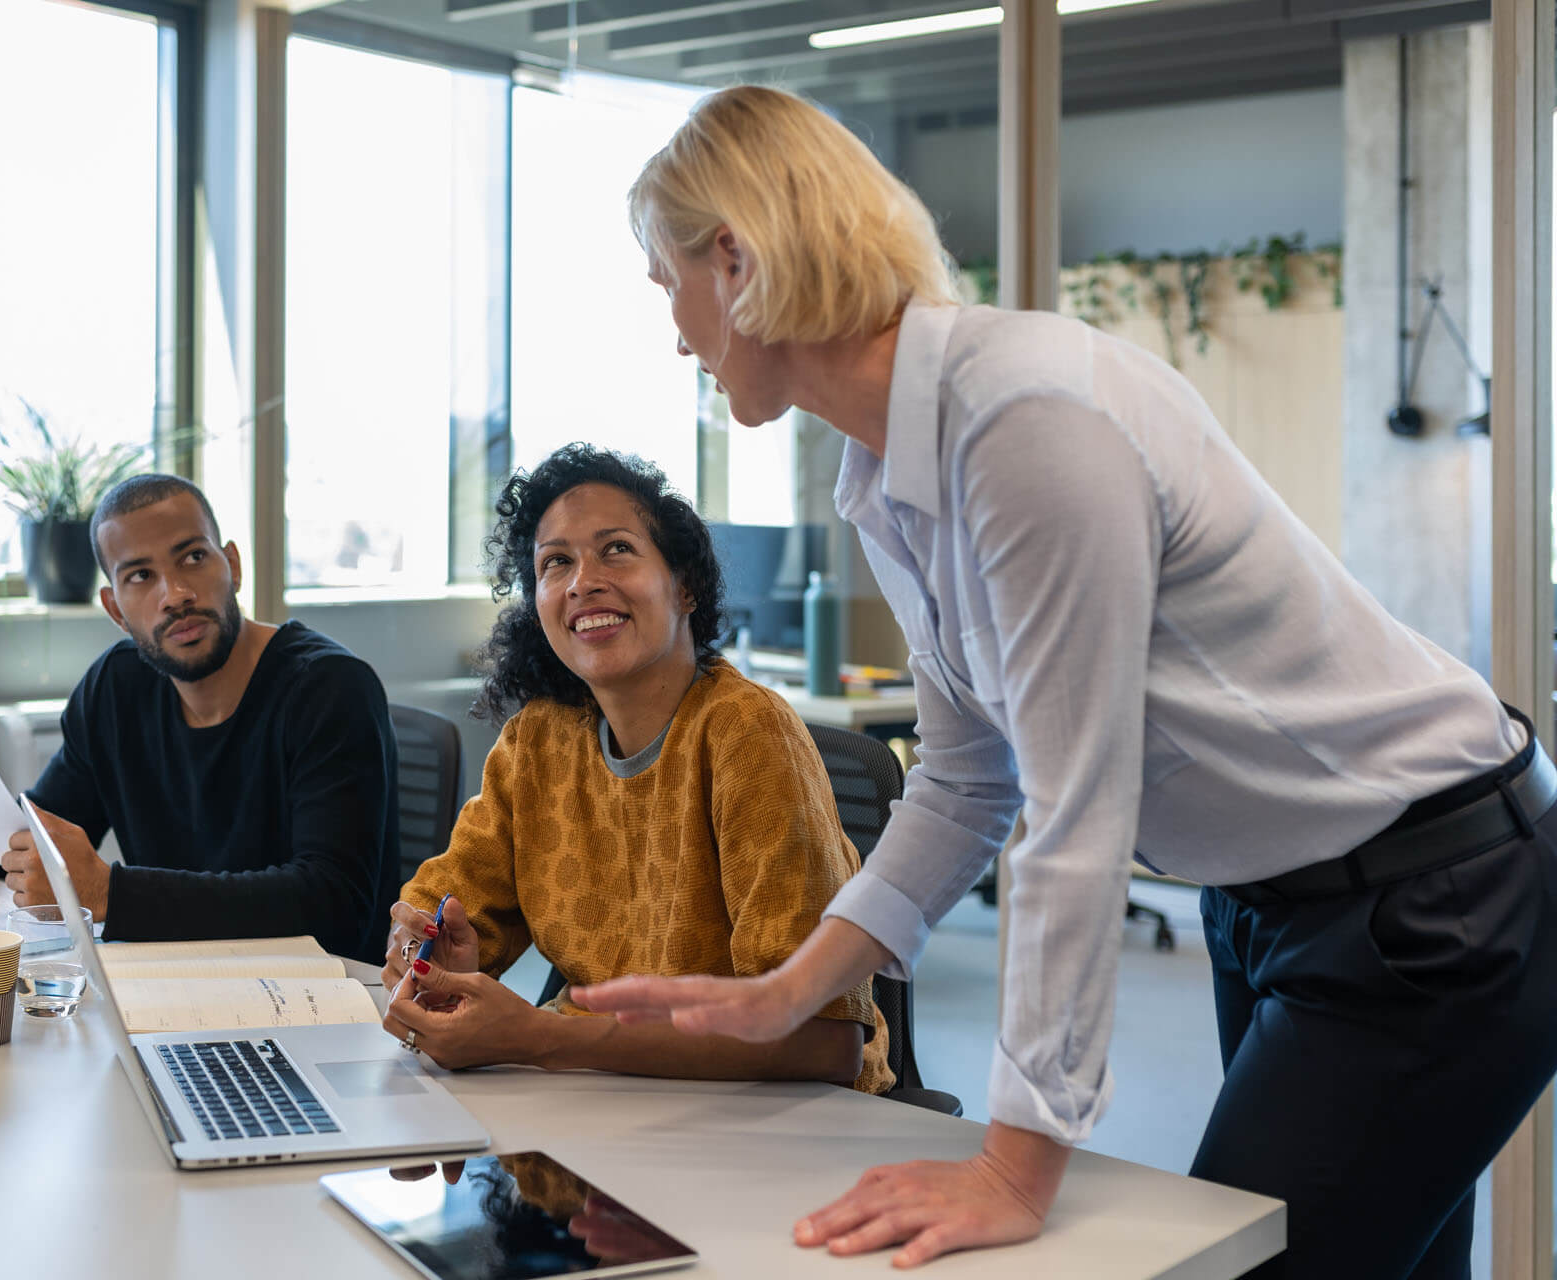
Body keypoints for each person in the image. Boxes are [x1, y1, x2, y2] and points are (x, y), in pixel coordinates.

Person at [573, 84, 1557, 1278]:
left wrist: (1013, 1162)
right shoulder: (883, 470)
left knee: (1250, 1261)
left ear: (733, 258)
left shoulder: (1022, 415)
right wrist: (793, 988)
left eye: (664, 281)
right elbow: (963, 781)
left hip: (1438, 892)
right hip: (1277, 898)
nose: (673, 330)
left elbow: (1076, 807)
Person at [379, 444, 892, 1095]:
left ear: (686, 585)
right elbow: (450, 908)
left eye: (615, 548)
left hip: (771, 1124)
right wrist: (433, 956)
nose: (581, 581)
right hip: (602, 1100)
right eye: (555, 562)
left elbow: (822, 1042)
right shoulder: (538, 739)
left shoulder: (747, 734)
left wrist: (543, 1039)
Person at [0, 473, 398, 959]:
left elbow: (334, 904)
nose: (175, 594)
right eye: (140, 576)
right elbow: (42, 840)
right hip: (175, 985)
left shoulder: (330, 688)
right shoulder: (114, 690)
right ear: (115, 609)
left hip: (326, 1000)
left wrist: (110, 894)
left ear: (233, 566)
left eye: (193, 558)